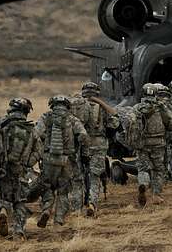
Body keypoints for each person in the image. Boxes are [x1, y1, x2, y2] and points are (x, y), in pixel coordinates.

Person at [0, 98, 41, 240]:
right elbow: (38, 151)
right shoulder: (31, 130)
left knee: (2, 197)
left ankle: (3, 211)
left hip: (0, 169)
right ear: (26, 111)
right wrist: (28, 162)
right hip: (20, 171)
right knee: (19, 202)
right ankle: (19, 232)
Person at [34, 96, 90, 226]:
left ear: (52, 105)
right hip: (67, 161)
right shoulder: (72, 119)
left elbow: (36, 133)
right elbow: (83, 135)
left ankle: (47, 209)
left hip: (48, 159)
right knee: (63, 191)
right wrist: (83, 149)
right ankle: (58, 220)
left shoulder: (46, 117)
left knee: (47, 187)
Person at [71, 81, 119, 218]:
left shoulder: (75, 106)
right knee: (95, 176)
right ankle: (92, 204)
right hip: (98, 144)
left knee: (77, 177)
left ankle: (76, 208)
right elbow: (115, 121)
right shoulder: (102, 107)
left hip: (80, 145)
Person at [132, 83, 172, 206]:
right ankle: (156, 195)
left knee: (143, 168)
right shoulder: (161, 107)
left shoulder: (137, 108)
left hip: (142, 144)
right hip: (158, 143)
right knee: (158, 170)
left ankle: (143, 184)